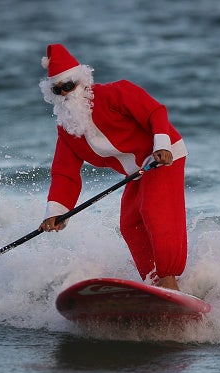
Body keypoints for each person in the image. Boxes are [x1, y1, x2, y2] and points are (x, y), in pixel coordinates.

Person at [38, 43, 188, 291]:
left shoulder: (115, 93)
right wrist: (56, 212)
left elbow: (155, 111)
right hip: (137, 172)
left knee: (156, 211)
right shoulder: (67, 129)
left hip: (162, 156)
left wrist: (162, 144)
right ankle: (153, 285)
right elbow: (65, 173)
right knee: (130, 223)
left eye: (69, 86)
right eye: (58, 89)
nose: (65, 94)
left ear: (82, 81)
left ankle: (169, 280)